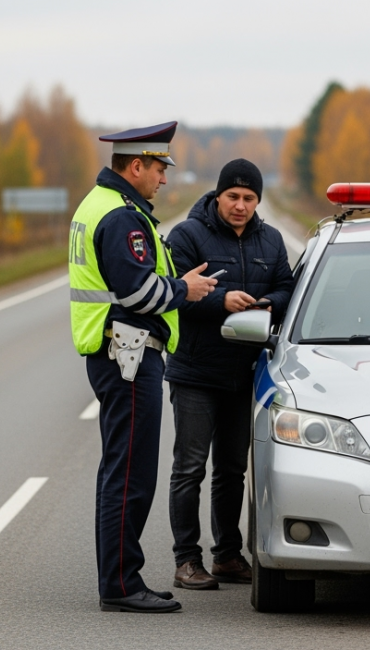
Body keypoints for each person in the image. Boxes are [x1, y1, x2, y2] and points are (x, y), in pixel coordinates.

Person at [68, 121, 217, 613]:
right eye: (158, 168)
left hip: (117, 352)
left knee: (122, 470)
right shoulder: (121, 216)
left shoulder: (103, 206)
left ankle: (119, 577)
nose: (164, 179)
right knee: (130, 474)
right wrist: (183, 290)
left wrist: (176, 279)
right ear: (135, 166)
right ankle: (121, 584)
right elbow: (136, 291)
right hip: (127, 354)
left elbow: (132, 278)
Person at [164, 158, 295, 590]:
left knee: (233, 470)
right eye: (233, 197)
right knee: (190, 468)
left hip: (247, 372)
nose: (240, 206)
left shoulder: (271, 240)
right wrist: (221, 301)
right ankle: (187, 560)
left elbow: (286, 289)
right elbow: (175, 294)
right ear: (218, 196)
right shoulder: (188, 235)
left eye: (249, 198)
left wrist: (263, 302)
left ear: (259, 200)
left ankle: (227, 555)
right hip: (196, 372)